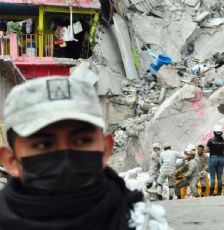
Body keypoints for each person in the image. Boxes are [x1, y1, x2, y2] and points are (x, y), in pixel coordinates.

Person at [0, 77, 170, 229]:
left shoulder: (146, 223)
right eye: (43, 144)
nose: (65, 157)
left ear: (106, 149)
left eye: (82, 141)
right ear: (11, 161)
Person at [206, 125, 224, 196]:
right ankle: (219, 192)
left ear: (214, 132)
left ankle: (211, 192)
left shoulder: (211, 140)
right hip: (221, 158)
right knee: (219, 177)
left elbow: (207, 150)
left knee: (212, 176)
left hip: (213, 158)